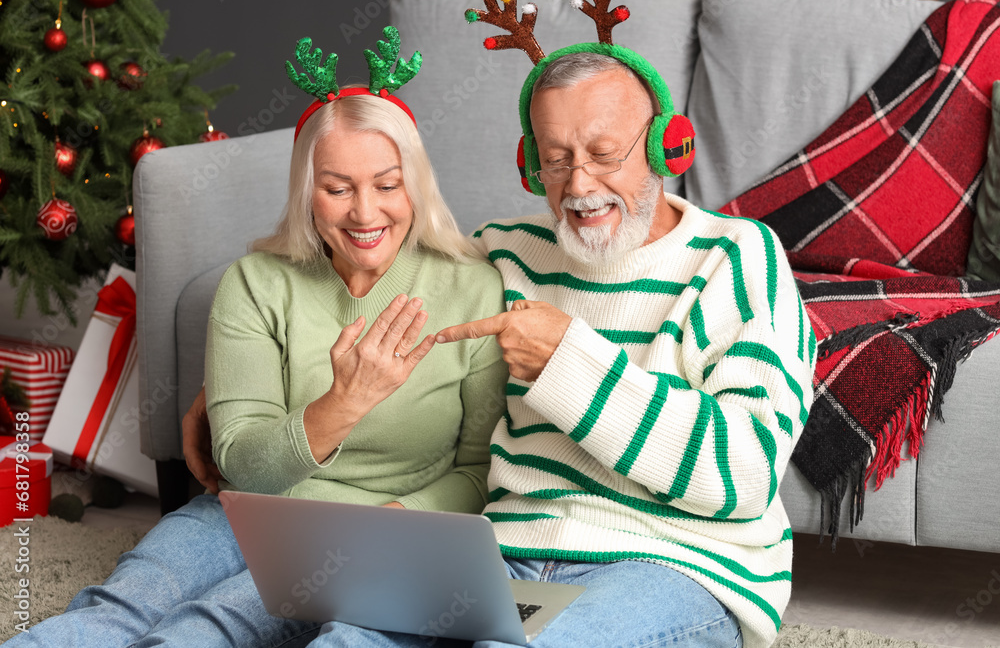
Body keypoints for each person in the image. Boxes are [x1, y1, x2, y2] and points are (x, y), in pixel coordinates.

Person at [185, 48, 816, 648]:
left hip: (670, 564)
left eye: (604, 153)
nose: (580, 184)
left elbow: (745, 474)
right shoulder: (502, 253)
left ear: (662, 145)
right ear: (529, 164)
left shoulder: (737, 258)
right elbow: (377, 267)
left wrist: (567, 363)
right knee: (349, 634)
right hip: (500, 551)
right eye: (557, 158)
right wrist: (235, 385)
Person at [4, 35, 509, 648]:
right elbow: (241, 466)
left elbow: (479, 471)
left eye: (387, 184)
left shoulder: (474, 288)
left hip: (387, 533)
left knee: (209, 626)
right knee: (121, 606)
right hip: (247, 511)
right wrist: (343, 404)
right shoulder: (255, 282)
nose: (364, 212)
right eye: (338, 188)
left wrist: (388, 530)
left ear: (415, 187)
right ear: (306, 192)